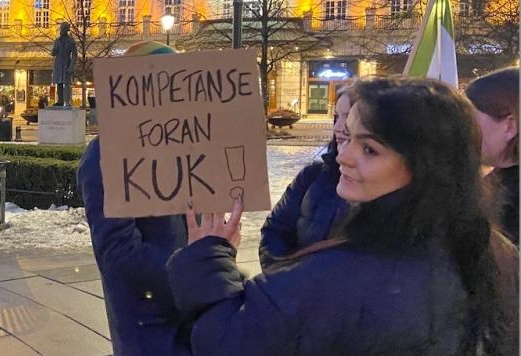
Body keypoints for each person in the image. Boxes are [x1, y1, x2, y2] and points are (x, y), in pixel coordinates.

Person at [167, 77, 517, 355]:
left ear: (423, 165)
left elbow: (229, 341)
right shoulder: (496, 253)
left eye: (369, 149)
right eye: (347, 136)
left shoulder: (343, 276)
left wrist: (206, 262)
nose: (344, 156)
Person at [77, 41, 189, 356]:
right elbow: (119, 253)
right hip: (148, 325)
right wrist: (189, 276)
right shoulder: (106, 152)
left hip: (187, 314)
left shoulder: (177, 145)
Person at [258, 85, 352, 269]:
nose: (339, 127)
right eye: (337, 116)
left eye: (348, 117)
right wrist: (281, 280)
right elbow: (275, 231)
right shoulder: (313, 176)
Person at [466, 67, 519, 245]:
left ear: (510, 127)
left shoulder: (510, 201)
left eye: (471, 121)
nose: (464, 131)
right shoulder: (500, 181)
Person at [51, 22, 76, 107]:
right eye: (61, 28)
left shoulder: (71, 41)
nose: (61, 30)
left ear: (67, 30)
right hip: (58, 64)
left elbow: (74, 55)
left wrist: (71, 67)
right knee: (59, 83)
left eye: (63, 28)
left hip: (66, 64)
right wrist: (54, 51)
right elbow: (53, 52)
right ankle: (60, 101)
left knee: (67, 84)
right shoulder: (57, 40)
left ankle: (67, 101)